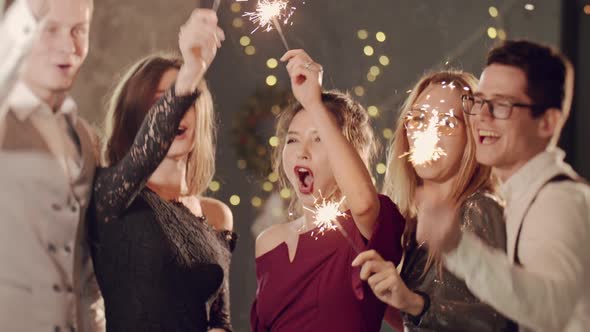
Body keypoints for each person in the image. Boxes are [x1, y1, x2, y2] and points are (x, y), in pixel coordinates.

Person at [418, 40, 590, 331]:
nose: (481, 117)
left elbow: (550, 310)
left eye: (500, 105)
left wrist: (457, 246)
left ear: (547, 122)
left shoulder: (558, 201)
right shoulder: (527, 196)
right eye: (479, 101)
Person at [89, 9, 235, 332]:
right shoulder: (113, 195)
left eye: (187, 100)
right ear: (136, 121)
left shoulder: (217, 215)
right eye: (162, 103)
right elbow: (142, 158)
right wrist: (192, 69)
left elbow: (220, 320)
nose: (178, 112)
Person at [250, 49, 405, 331]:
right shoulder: (269, 241)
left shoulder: (365, 226)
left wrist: (313, 102)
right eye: (293, 140)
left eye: (319, 138)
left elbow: (364, 204)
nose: (302, 152)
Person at [352, 70, 514, 331]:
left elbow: (494, 319)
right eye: (418, 118)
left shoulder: (478, 209)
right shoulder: (409, 225)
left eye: (447, 123)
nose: (429, 132)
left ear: (472, 137)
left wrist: (416, 304)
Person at [0, 0, 105, 330]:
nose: (68, 46)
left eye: (79, 30)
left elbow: (86, 272)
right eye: (50, 29)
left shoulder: (85, 136)